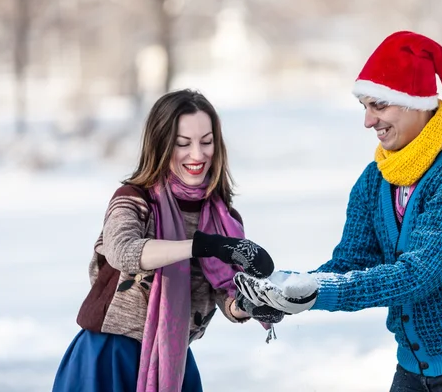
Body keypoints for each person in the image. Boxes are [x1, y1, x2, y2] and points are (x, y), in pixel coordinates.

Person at [235, 31, 442, 392]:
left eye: (379, 105)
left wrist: (315, 291)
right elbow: (351, 263)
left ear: (416, 102)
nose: (368, 120)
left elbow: (418, 275)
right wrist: (285, 292)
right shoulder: (377, 178)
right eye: (365, 107)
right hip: (414, 366)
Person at [52, 89, 278, 392]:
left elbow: (226, 293)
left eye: (206, 142)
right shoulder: (134, 199)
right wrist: (201, 246)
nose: (197, 155)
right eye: (182, 143)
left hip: (173, 362)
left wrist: (252, 304)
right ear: (161, 144)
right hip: (110, 356)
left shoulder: (223, 217)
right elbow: (122, 250)